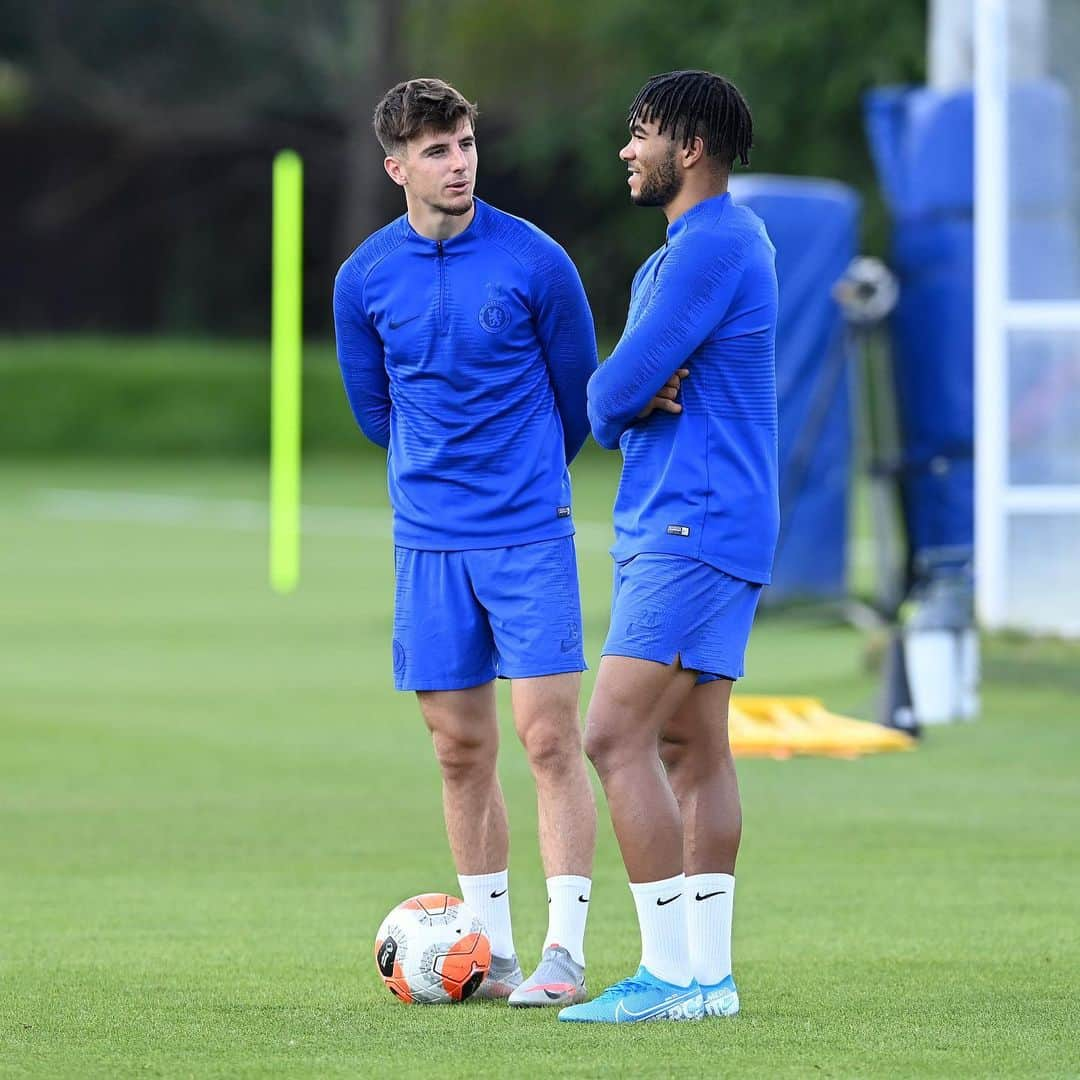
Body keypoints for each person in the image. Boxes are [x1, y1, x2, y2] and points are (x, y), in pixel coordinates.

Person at [333, 78, 599, 1007]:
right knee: (458, 750)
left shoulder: (536, 260)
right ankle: (493, 952)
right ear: (396, 167)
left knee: (550, 737)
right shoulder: (363, 278)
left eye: (466, 144)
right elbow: (375, 412)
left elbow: (578, 398)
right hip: (428, 542)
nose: (458, 165)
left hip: (529, 531)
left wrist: (521, 476)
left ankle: (566, 952)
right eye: (436, 151)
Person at [558, 70, 779, 1024]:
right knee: (691, 745)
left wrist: (620, 396)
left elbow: (607, 396)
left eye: (639, 132)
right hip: (699, 519)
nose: (626, 150)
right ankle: (710, 981)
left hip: (694, 521)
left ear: (688, 147)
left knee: (611, 734)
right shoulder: (695, 247)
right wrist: (621, 394)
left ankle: (666, 977)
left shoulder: (712, 246)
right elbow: (616, 396)